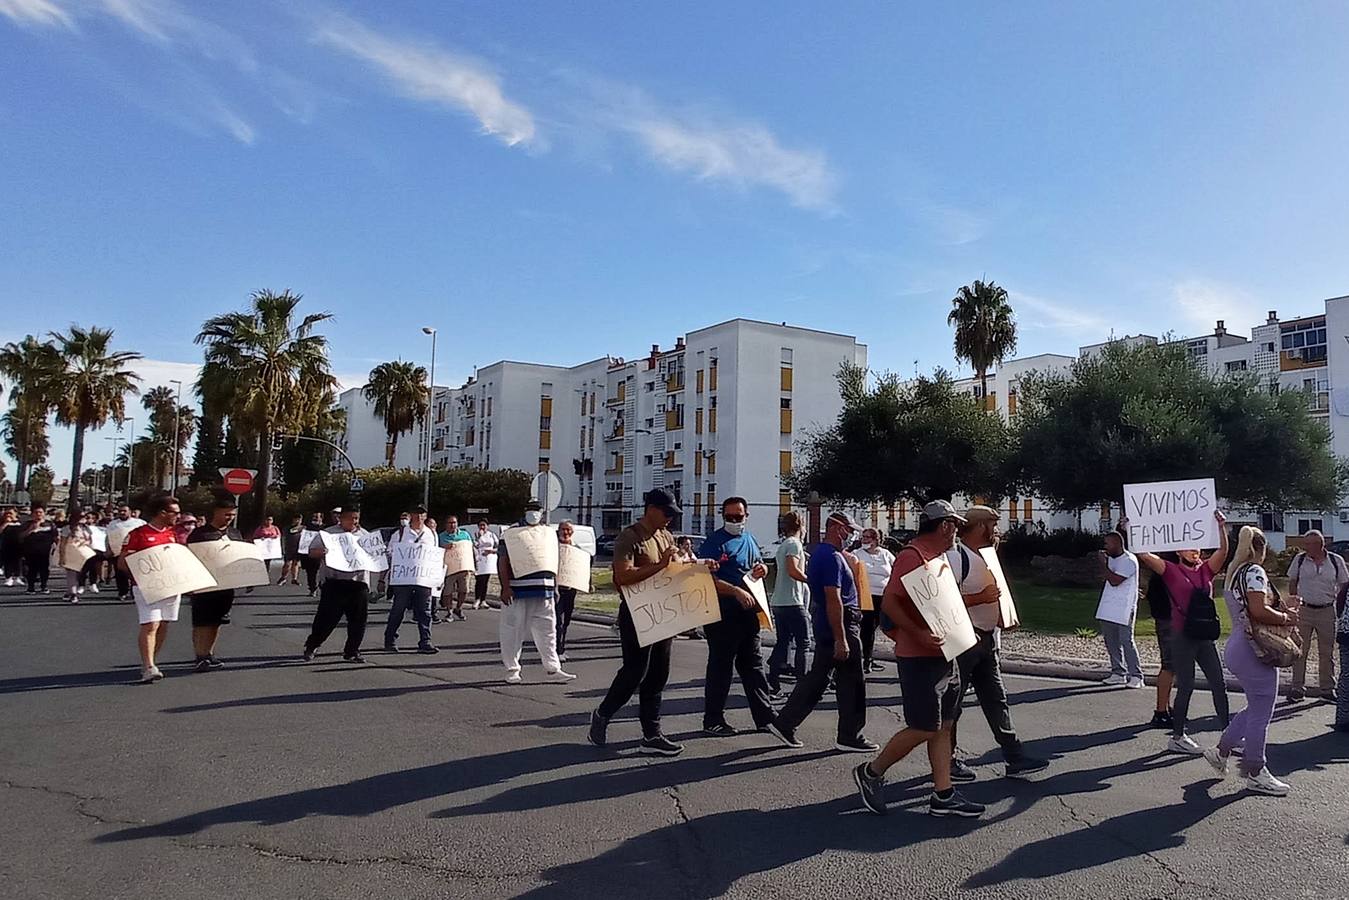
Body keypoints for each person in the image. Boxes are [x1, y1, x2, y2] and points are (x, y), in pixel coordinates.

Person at [854, 501, 985, 818]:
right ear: (944, 527)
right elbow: (891, 603)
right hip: (919, 658)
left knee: (944, 725)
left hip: (945, 654)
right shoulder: (911, 557)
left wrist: (963, 632)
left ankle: (943, 794)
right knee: (924, 727)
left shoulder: (937, 558)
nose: (956, 531)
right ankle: (871, 772)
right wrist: (919, 633)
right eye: (954, 525)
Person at [590, 489, 706, 756]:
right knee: (635, 672)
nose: (670, 519)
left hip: (663, 610)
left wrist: (696, 567)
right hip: (636, 611)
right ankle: (603, 713)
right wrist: (661, 565)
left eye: (673, 514)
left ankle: (652, 734)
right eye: (666, 513)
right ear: (650, 509)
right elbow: (624, 575)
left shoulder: (665, 536)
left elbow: (673, 567)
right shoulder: (629, 537)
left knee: (658, 674)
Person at [947, 506, 1050, 781]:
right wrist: (980, 597)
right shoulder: (957, 557)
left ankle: (1014, 757)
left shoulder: (985, 555)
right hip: (965, 643)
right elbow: (944, 602)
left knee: (996, 699)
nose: (997, 530)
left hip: (987, 640)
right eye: (993, 524)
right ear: (980, 526)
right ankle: (947, 761)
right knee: (952, 705)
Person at [766, 510, 874, 752]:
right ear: (838, 529)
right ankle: (850, 735)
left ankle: (785, 722)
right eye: (849, 530)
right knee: (852, 681)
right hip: (840, 624)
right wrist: (841, 638)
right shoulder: (830, 557)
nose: (851, 535)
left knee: (819, 678)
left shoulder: (827, 555)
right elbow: (833, 598)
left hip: (834, 624)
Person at [1204, 526, 1299, 795]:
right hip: (1254, 649)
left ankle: (1221, 751)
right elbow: (1258, 610)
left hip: (1238, 646)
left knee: (1255, 707)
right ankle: (1256, 771)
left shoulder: (1235, 574)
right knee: (1262, 713)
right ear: (1262, 548)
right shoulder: (1255, 572)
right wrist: (1285, 617)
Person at [1135, 510, 1230, 755]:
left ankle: (1228, 735)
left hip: (1204, 636)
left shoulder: (1205, 570)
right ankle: (1177, 736)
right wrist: (1132, 527)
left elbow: (1223, 552)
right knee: (1186, 685)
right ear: (1178, 551)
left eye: (1196, 546)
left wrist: (1221, 527)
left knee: (1219, 684)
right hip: (1182, 635)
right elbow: (1145, 555)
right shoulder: (1170, 570)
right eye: (1187, 547)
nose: (1193, 550)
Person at [698, 497, 775, 737]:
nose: (733, 521)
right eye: (729, 517)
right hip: (722, 613)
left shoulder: (750, 539)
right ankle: (713, 719)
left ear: (746, 516)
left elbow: (757, 565)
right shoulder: (714, 543)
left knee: (753, 666)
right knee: (721, 667)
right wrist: (734, 590)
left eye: (738, 517)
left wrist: (764, 569)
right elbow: (705, 578)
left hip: (748, 612)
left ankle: (765, 717)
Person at [497, 501, 575, 684]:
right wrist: (505, 586)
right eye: (531, 510)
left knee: (548, 630)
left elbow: (553, 559)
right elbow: (502, 560)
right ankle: (512, 669)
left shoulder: (548, 533)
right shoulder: (511, 533)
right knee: (513, 629)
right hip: (518, 590)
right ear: (525, 512)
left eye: (537, 511)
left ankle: (553, 667)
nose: (534, 514)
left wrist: (555, 587)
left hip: (544, 589)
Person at [119, 494, 183, 683]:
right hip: (146, 586)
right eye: (175, 513)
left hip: (170, 586)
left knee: (163, 623)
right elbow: (122, 563)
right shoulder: (138, 534)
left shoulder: (172, 534)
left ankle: (150, 659)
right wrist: (141, 574)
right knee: (150, 624)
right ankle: (148, 667)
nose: (177, 517)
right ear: (162, 513)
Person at [302, 507, 375, 663]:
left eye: (356, 518)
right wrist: (323, 552)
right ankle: (312, 645)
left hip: (358, 583)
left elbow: (376, 555)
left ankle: (352, 650)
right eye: (350, 518)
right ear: (340, 519)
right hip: (334, 583)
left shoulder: (365, 536)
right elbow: (311, 552)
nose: (354, 522)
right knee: (326, 619)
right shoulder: (329, 534)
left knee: (358, 620)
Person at [1286, 530, 1346, 701]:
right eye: (1306, 544)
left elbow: (1344, 584)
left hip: (1327, 610)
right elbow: (1292, 581)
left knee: (1326, 652)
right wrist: (1294, 601)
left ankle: (1327, 689)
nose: (1309, 548)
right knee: (1299, 650)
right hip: (1304, 610)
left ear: (1321, 544)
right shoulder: (1299, 560)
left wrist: (1338, 604)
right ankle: (1297, 688)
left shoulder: (1335, 561)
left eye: (1312, 544)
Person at [187, 496, 245, 672]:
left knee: (217, 622)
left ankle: (209, 653)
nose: (230, 517)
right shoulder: (200, 534)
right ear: (216, 512)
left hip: (226, 586)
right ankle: (200, 656)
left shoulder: (235, 534)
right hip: (204, 585)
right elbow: (191, 559)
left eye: (232, 514)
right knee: (201, 622)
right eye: (226, 514)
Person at [383, 505, 439, 655]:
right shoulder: (400, 533)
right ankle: (390, 639)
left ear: (425, 516)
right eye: (416, 513)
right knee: (398, 609)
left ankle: (425, 641)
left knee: (424, 611)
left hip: (423, 579)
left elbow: (435, 557)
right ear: (411, 515)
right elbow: (389, 552)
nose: (419, 517)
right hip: (404, 579)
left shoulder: (431, 534)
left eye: (422, 514)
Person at [766, 511, 811, 694]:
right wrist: (810, 579)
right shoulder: (794, 544)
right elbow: (792, 570)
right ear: (801, 525)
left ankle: (773, 680)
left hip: (779, 600)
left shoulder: (783, 544)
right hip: (793, 600)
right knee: (804, 643)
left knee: (783, 641)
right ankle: (802, 684)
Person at [1096, 529, 1144, 688]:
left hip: (1124, 607)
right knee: (1111, 640)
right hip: (1108, 605)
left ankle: (1136, 675)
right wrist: (1105, 566)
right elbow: (1107, 577)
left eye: (1107, 543)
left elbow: (1115, 580)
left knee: (1126, 640)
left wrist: (1103, 564)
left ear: (1117, 543)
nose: (1105, 547)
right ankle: (1118, 672)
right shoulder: (1111, 559)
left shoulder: (1129, 560)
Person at [1141, 550, 1180, 729]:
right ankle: (1160, 711)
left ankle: (1165, 706)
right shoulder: (1166, 575)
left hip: (1168, 620)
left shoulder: (1161, 577)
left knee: (1172, 666)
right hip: (1168, 621)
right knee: (1169, 665)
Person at [853, 527, 895, 674]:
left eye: (868, 537)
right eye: (863, 537)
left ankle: (870, 656)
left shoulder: (886, 555)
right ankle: (866, 659)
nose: (864, 540)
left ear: (876, 539)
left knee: (884, 625)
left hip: (884, 596)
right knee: (868, 628)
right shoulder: (857, 554)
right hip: (867, 595)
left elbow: (895, 570)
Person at [555, 520, 582, 660]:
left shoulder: (577, 549)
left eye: (568, 530)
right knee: (557, 621)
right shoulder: (553, 548)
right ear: (559, 530)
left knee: (566, 621)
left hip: (571, 590)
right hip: (556, 589)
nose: (565, 533)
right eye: (563, 529)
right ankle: (557, 651)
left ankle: (561, 647)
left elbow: (582, 568)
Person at [438, 514, 473, 621]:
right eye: (450, 523)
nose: (453, 525)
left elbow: (470, 548)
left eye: (454, 523)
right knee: (448, 591)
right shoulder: (441, 536)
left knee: (464, 590)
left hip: (463, 567)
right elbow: (436, 550)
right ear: (446, 525)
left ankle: (459, 608)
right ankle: (449, 611)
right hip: (449, 568)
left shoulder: (465, 535)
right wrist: (443, 547)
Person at [20, 503, 57, 594]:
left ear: (44, 513)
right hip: (31, 551)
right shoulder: (27, 524)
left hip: (45, 551)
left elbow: (56, 536)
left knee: (44, 569)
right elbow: (20, 536)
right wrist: (31, 529)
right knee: (31, 569)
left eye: (40, 512)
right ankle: (30, 587)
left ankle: (44, 586)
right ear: (32, 514)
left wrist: (56, 546)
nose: (38, 514)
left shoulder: (49, 524)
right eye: (36, 512)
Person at [58, 514, 93, 603]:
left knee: (80, 573)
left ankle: (69, 591)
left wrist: (85, 542)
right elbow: (62, 543)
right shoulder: (67, 529)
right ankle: (73, 594)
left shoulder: (86, 528)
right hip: (70, 553)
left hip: (82, 553)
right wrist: (62, 557)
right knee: (71, 573)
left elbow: (90, 540)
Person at [473, 519, 498, 609]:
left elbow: (498, 547)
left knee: (486, 580)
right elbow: (475, 545)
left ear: (488, 526)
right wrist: (479, 536)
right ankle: (477, 599)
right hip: (479, 559)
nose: (482, 527)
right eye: (480, 525)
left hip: (489, 560)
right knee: (479, 580)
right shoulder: (476, 534)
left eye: (484, 525)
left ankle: (483, 600)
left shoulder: (492, 535)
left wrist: (491, 551)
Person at [300, 512, 324, 597]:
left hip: (323, 554)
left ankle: (322, 588)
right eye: (314, 517)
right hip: (309, 554)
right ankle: (312, 589)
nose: (315, 518)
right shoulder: (306, 528)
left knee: (324, 573)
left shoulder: (325, 528)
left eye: (317, 517)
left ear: (321, 518)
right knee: (311, 573)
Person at [1336, 581, 1349, 731]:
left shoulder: (1346, 586)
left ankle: (1343, 718)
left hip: (1345, 633)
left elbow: (1339, 608)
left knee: (1346, 675)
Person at [279, 515, 305, 586]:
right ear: (293, 520)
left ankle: (294, 579)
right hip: (289, 548)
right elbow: (288, 534)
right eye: (296, 519)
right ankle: (283, 577)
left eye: (300, 520)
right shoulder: (287, 528)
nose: (298, 521)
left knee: (296, 564)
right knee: (287, 564)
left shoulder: (304, 528)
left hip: (299, 549)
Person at [1, 507, 22, 586]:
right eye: (7, 513)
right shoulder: (3, 522)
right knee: (7, 562)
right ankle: (8, 578)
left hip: (18, 544)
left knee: (18, 561)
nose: (9, 515)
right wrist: (6, 523)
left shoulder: (20, 522)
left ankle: (17, 577)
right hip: (6, 544)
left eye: (11, 513)